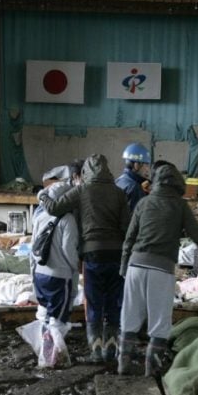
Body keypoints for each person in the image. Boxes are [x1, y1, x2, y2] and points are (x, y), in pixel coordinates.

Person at [120, 161, 198, 376]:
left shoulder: (144, 203)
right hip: (161, 269)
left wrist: (124, 266)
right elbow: (197, 234)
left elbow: (129, 237)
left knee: (130, 315)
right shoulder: (179, 205)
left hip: (135, 265)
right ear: (177, 183)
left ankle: (123, 364)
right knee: (160, 320)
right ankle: (152, 368)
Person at [47, 153, 131, 364]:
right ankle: (111, 350)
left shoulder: (82, 190)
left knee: (94, 302)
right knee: (113, 302)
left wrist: (43, 196)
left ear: (85, 172)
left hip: (92, 254)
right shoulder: (119, 193)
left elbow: (54, 208)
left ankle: (96, 351)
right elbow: (127, 226)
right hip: (116, 254)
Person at [31, 162, 83, 360]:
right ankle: (53, 357)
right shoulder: (68, 219)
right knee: (58, 319)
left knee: (44, 313)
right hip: (60, 277)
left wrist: (32, 272)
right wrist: (74, 270)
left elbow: (33, 247)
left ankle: (44, 353)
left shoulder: (39, 216)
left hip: (40, 274)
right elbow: (69, 250)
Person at [116, 142, 151, 213]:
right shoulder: (135, 188)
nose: (148, 169)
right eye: (146, 164)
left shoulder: (119, 180)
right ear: (136, 165)